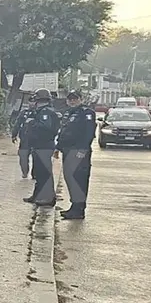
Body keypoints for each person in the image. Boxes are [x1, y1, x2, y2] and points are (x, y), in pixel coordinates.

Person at [55, 91, 96, 219]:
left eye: (75, 99)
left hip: (79, 151)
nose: (72, 101)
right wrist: (58, 147)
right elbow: (63, 131)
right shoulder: (68, 113)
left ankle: (79, 210)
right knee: (70, 179)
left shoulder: (86, 113)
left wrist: (82, 151)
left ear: (81, 99)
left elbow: (89, 133)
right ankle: (74, 206)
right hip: (67, 150)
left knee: (79, 180)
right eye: (70, 99)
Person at [23, 89, 60, 206]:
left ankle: (48, 198)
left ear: (38, 100)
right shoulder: (40, 111)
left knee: (44, 173)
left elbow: (45, 128)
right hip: (39, 146)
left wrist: (31, 122)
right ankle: (37, 196)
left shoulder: (45, 112)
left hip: (44, 146)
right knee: (39, 173)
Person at [12, 99, 36, 179]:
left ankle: (34, 174)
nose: (32, 103)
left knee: (37, 158)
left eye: (34, 101)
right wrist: (14, 134)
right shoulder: (24, 112)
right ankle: (24, 172)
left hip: (36, 140)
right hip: (24, 139)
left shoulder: (40, 113)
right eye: (31, 101)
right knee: (23, 157)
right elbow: (17, 123)